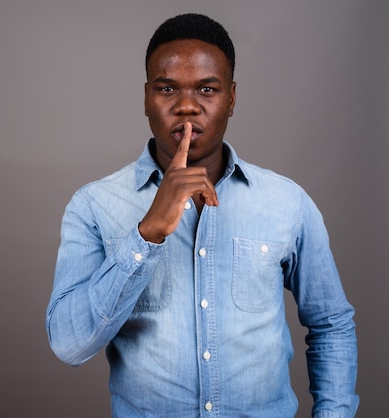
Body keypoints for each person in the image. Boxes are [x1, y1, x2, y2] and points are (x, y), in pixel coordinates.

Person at [45, 13, 359, 418]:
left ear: (231, 98)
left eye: (207, 89)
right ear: (146, 98)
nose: (187, 106)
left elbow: (331, 324)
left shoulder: (288, 202)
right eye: (167, 88)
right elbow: (70, 345)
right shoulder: (93, 205)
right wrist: (148, 234)